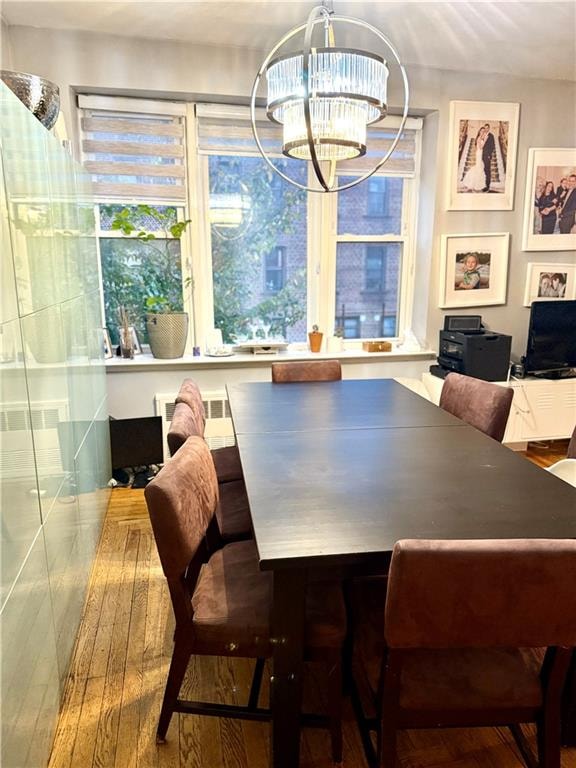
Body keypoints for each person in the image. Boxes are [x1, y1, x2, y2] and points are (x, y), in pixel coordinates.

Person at [461, 127, 487, 192]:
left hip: (479, 153)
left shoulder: (481, 138)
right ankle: (475, 184)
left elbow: (479, 148)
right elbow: (480, 147)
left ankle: (477, 184)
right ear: (479, 132)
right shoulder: (479, 138)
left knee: (480, 167)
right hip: (479, 154)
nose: (482, 132)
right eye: (481, 131)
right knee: (479, 168)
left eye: (483, 131)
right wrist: (485, 140)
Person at [481, 122, 496, 192]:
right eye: (485, 128)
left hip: (487, 156)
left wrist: (489, 155)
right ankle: (482, 185)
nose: (486, 129)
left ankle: (487, 186)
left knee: (487, 171)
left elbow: (492, 146)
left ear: (489, 128)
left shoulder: (491, 136)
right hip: (481, 156)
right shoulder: (482, 135)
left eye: (487, 128)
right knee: (482, 171)